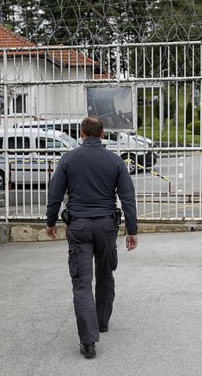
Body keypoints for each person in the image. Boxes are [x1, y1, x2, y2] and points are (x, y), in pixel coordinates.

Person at [46, 116, 138, 359]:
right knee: (105, 274)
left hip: (79, 227)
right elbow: (128, 197)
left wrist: (50, 222)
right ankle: (102, 322)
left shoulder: (68, 159)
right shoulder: (114, 160)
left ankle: (88, 342)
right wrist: (132, 230)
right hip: (107, 226)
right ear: (102, 133)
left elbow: (55, 193)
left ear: (82, 133)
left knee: (82, 282)